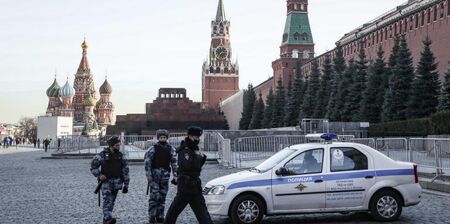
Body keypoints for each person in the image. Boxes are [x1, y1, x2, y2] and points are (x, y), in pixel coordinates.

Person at [164, 126, 213, 224]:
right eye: (196, 137)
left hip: (195, 185)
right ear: (190, 136)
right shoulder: (185, 149)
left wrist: (200, 157)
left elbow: (197, 167)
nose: (198, 139)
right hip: (186, 185)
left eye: (199, 137)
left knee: (202, 211)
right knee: (175, 210)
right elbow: (188, 166)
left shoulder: (193, 148)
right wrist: (198, 157)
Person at [90, 136, 130, 224]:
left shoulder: (121, 156)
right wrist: (99, 175)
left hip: (117, 182)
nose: (118, 147)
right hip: (106, 182)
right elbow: (93, 167)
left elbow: (125, 170)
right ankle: (108, 218)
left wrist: (126, 183)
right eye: (116, 145)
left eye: (119, 145)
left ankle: (107, 218)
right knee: (107, 200)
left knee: (112, 201)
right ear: (111, 146)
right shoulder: (102, 155)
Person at [144, 129, 178, 224]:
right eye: (161, 137)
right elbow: (147, 162)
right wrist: (148, 175)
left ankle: (160, 215)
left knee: (162, 196)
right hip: (154, 177)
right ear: (158, 138)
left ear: (167, 138)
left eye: (164, 137)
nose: (162, 139)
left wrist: (175, 175)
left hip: (165, 177)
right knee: (154, 196)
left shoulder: (171, 149)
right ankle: (152, 215)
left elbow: (174, 163)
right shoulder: (152, 148)